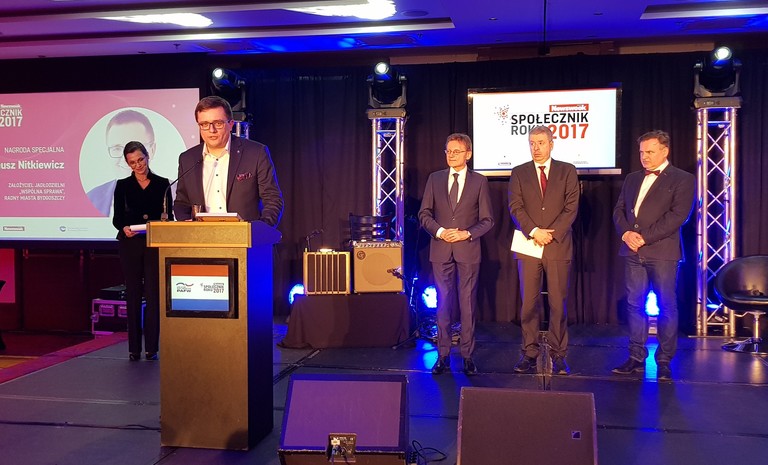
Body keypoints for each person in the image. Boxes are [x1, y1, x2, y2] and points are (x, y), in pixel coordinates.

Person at [611, 130, 695, 380]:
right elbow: (619, 210)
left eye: (650, 152)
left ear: (665, 151)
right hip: (632, 250)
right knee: (634, 304)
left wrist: (644, 237)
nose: (644, 157)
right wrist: (626, 233)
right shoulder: (632, 178)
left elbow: (677, 216)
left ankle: (665, 360)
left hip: (662, 252)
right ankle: (636, 357)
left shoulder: (683, 179)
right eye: (641, 152)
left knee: (666, 305)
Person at [418, 133, 494, 376]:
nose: (451, 155)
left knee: (467, 303)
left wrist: (466, 234)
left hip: (467, 249)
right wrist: (440, 231)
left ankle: (467, 355)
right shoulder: (435, 179)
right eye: (448, 151)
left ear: (468, 154)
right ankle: (443, 355)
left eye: (456, 151)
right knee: (443, 303)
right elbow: (424, 214)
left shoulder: (479, 181)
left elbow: (487, 220)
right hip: (441, 249)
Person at [508, 125, 579, 375]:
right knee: (529, 302)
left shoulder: (567, 170)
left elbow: (571, 207)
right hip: (529, 244)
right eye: (532, 143)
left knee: (558, 302)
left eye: (540, 143)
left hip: (557, 244)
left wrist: (551, 233)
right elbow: (515, 207)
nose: (535, 148)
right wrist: (534, 230)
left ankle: (559, 354)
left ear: (551, 144)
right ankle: (529, 351)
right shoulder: (519, 172)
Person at [173, 96, 283, 226]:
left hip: (245, 236)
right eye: (204, 124)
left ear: (230, 124)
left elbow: (272, 199)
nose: (211, 130)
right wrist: (187, 225)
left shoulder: (255, 153)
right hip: (201, 235)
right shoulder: (187, 159)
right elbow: (182, 203)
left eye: (218, 123)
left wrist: (260, 230)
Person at [112, 141, 173, 361]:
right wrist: (124, 228)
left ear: (147, 156)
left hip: (154, 245)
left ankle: (152, 348)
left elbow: (169, 217)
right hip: (130, 245)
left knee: (154, 296)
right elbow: (117, 219)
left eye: (140, 159)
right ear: (127, 164)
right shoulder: (122, 186)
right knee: (134, 295)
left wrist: (162, 225)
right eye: (132, 162)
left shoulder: (162, 184)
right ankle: (134, 349)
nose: (138, 165)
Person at [89, 110, 156, 216]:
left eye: (134, 148)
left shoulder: (175, 194)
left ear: (152, 150)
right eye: (117, 148)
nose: (126, 159)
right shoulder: (92, 197)